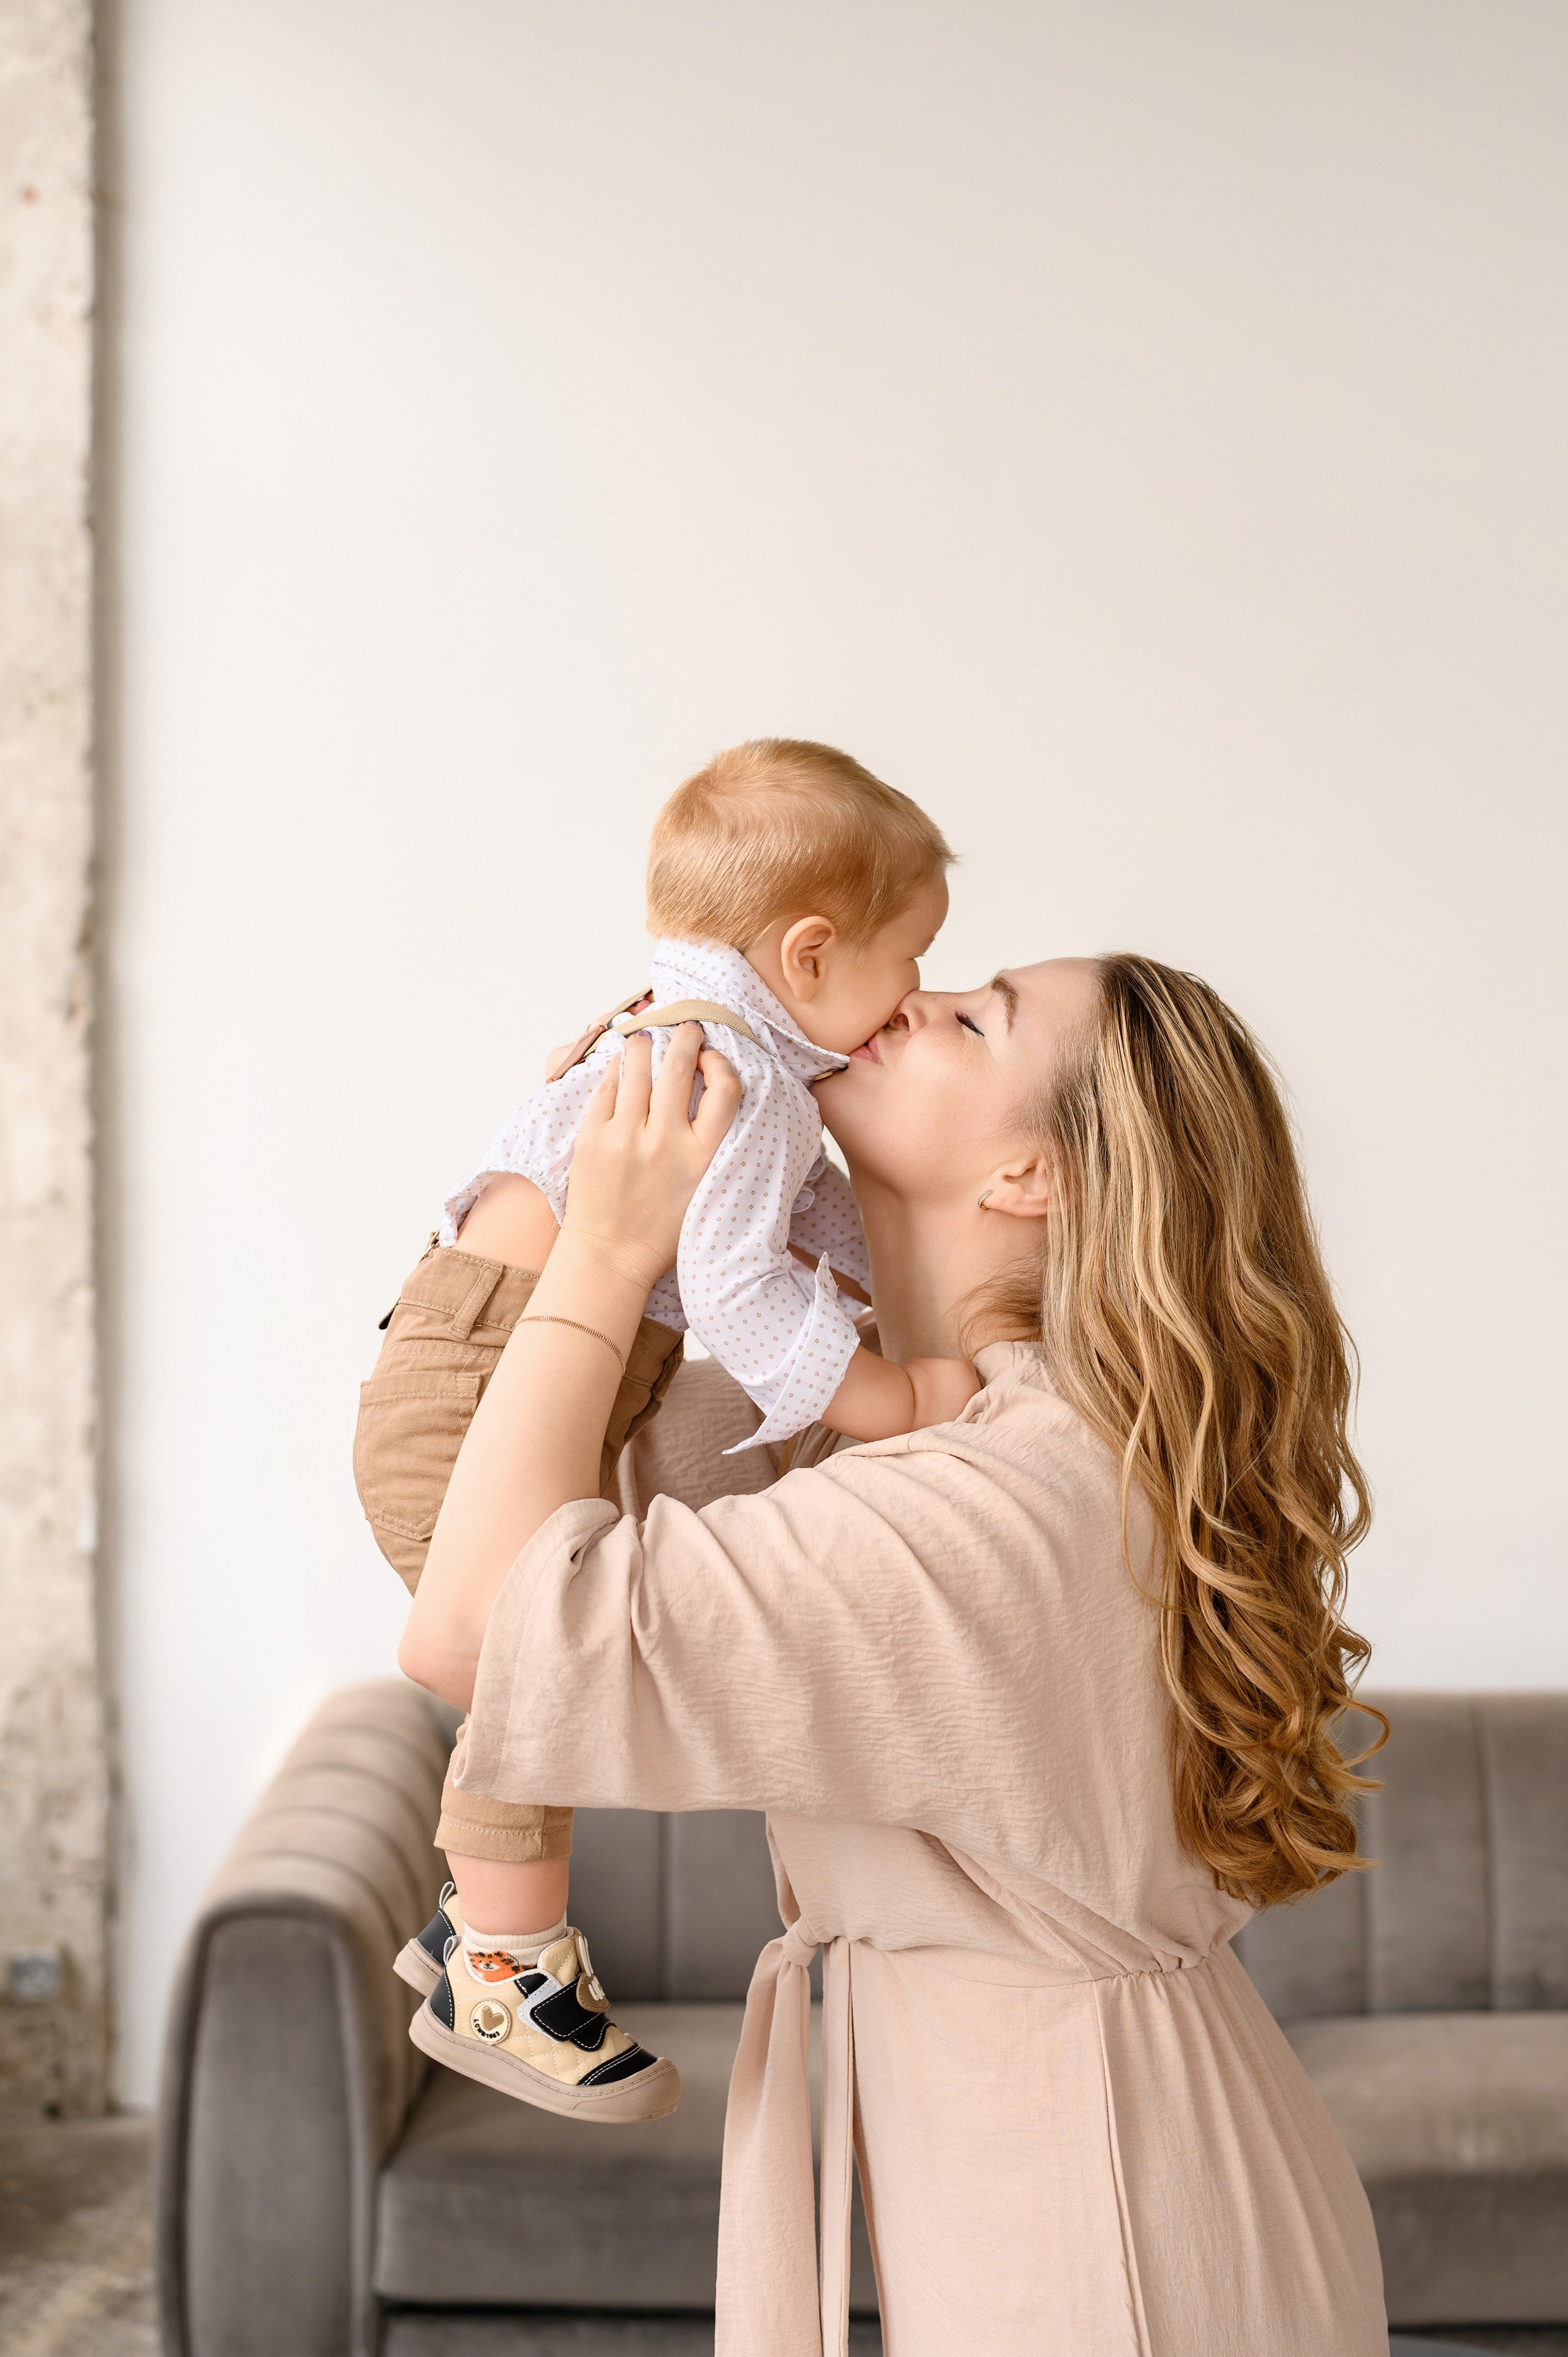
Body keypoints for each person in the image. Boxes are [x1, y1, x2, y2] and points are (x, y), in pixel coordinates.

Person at [398, 954, 1389, 2355]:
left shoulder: (1000, 1504)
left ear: (1028, 1177)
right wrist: (550, 1169)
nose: (905, 1000)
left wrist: (605, 1251)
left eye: (973, 1015)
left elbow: (479, 1631)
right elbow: (458, 1500)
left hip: (1109, 2219)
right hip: (1056, 2154)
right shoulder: (889, 1426)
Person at [354, 738, 976, 2121]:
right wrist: (895, 1396)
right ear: (808, 955)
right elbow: (747, 1294)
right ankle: (500, 1962)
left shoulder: (696, 1046)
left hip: (488, 1369)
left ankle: (485, 1938)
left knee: (572, 1638)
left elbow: (793, 1221)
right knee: (533, 1657)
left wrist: (905, 1286)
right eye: (910, 961)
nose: (916, 996)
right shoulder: (728, 1075)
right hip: (475, 1397)